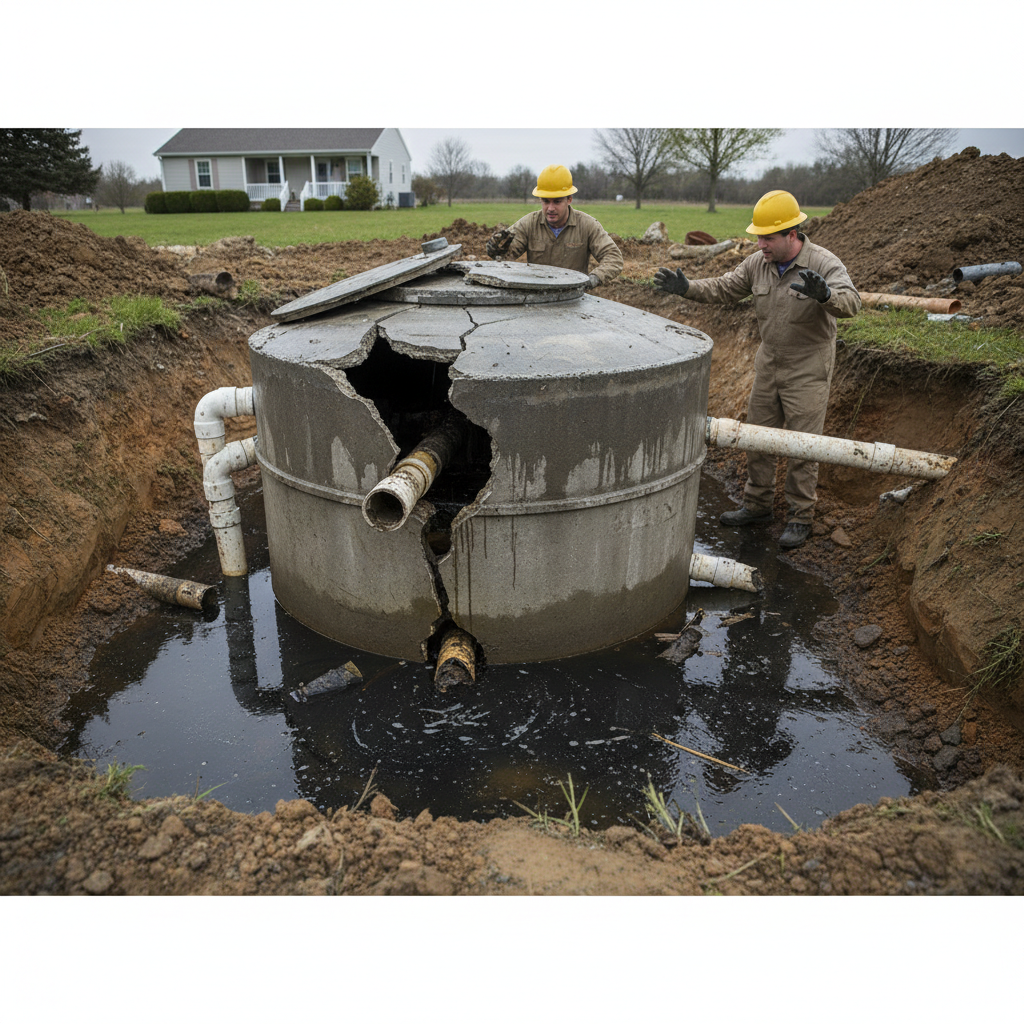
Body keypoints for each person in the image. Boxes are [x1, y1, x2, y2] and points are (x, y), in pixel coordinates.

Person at [654, 189, 861, 549]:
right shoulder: (757, 264)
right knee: (757, 439)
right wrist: (687, 288)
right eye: (758, 237)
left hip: (808, 369)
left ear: (791, 234)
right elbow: (724, 287)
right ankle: (757, 505)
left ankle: (800, 517)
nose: (760, 244)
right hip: (769, 365)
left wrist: (826, 296)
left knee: (803, 447)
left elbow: (852, 303)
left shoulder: (824, 262)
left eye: (767, 238)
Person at [485, 164, 623, 288]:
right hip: (537, 295)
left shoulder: (587, 225)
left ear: (569, 200)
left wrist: (593, 279)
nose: (550, 208)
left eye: (557, 202)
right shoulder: (529, 223)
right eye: (546, 201)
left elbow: (613, 258)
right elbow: (507, 256)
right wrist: (496, 252)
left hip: (574, 297)